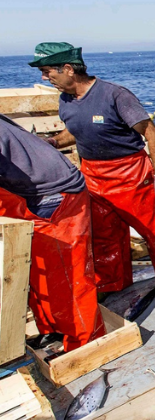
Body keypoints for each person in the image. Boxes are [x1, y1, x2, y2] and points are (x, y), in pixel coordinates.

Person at [30, 43, 155, 300]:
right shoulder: (66, 100)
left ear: (68, 69)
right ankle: (113, 282)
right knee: (103, 236)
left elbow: (152, 134)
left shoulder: (115, 95)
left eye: (47, 71)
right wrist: (55, 142)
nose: (45, 78)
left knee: (153, 231)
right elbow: (76, 130)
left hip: (130, 174)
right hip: (92, 176)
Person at [0, 114, 105, 351]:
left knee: (69, 276)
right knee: (37, 273)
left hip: (53, 196)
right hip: (26, 192)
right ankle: (55, 329)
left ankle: (86, 342)